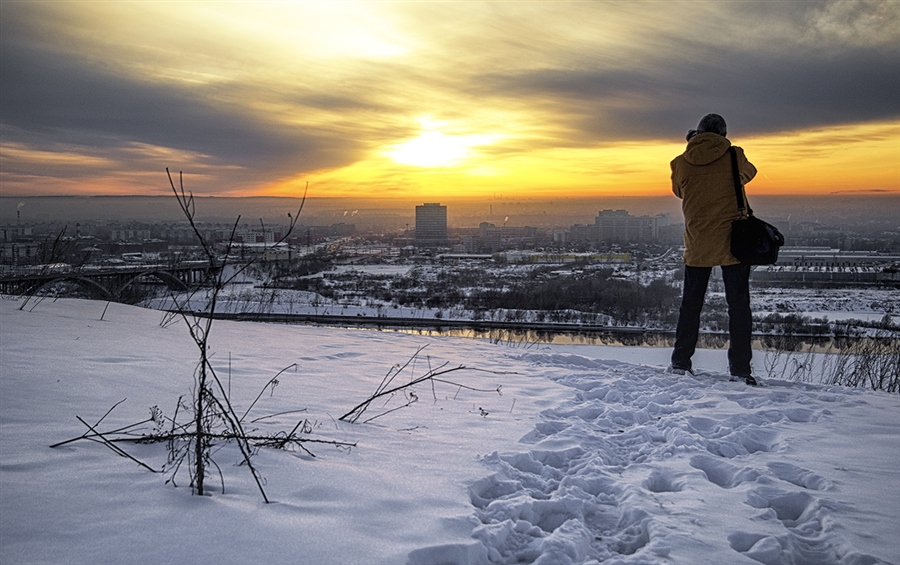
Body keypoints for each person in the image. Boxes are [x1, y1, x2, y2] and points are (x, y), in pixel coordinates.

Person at [669, 113, 758, 385]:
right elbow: (749, 173)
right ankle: (740, 371)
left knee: (690, 305)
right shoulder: (734, 155)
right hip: (733, 242)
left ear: (696, 132)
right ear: (724, 133)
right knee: (738, 307)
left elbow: (679, 192)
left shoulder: (680, 163)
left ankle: (680, 363)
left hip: (697, 241)